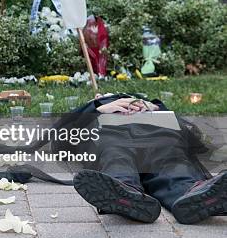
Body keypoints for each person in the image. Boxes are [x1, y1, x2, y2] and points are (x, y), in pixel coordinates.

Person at [71, 93, 226, 224]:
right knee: (116, 156)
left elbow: (194, 140)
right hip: (115, 136)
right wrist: (97, 108)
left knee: (171, 158)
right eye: (106, 95)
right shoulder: (93, 108)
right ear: (97, 97)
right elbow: (60, 137)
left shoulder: (153, 105)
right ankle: (124, 190)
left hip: (157, 136)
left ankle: (194, 193)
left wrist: (154, 108)